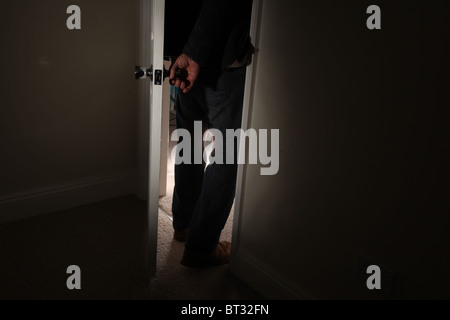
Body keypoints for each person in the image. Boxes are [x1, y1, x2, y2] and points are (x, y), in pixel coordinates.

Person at [166, 0, 254, 268]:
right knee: (225, 156)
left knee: (189, 143)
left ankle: (183, 224)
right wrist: (193, 54)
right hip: (216, 59)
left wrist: (185, 53)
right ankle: (201, 247)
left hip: (185, 54)